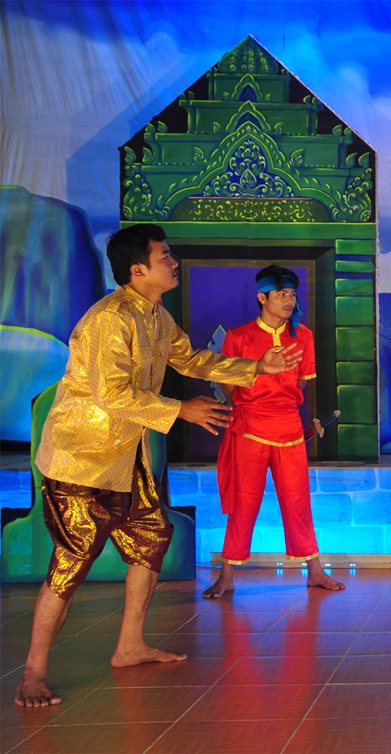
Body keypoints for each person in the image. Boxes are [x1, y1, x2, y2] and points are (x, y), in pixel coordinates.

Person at [14, 224, 301, 707]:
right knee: (70, 563)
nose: (173, 262)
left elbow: (190, 360)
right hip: (81, 460)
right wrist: (181, 410)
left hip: (126, 456)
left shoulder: (155, 314)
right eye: (164, 256)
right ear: (137, 270)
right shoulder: (109, 320)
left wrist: (256, 367)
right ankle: (32, 672)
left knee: (150, 539)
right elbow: (112, 395)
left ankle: (129, 645)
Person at [203, 265, 345, 599]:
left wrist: (293, 411)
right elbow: (228, 388)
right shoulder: (238, 337)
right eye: (281, 294)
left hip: (289, 428)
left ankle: (314, 571)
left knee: (298, 501)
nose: (288, 300)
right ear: (262, 297)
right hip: (250, 428)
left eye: (292, 294)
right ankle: (226, 576)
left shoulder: (303, 336)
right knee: (243, 502)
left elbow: (300, 386)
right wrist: (253, 402)